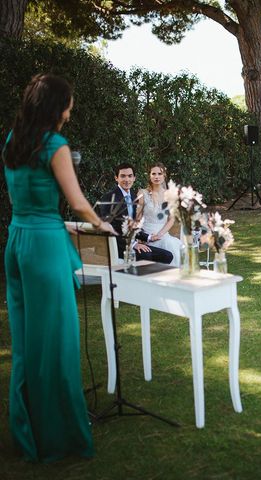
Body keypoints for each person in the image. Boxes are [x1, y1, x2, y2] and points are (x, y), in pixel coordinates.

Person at [3, 73, 117, 462]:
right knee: (58, 343)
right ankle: (60, 437)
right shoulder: (55, 145)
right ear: (57, 106)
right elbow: (79, 202)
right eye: (68, 103)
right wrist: (103, 225)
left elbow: (28, 200)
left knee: (27, 341)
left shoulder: (12, 141)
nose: (71, 110)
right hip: (45, 249)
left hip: (18, 242)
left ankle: (26, 430)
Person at [100, 163, 174, 264]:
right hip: (117, 245)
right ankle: (140, 279)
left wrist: (148, 237)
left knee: (167, 256)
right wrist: (134, 244)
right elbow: (109, 228)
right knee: (146, 256)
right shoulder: (110, 198)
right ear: (116, 178)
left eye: (130, 176)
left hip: (132, 243)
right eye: (123, 176)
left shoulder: (134, 197)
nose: (127, 179)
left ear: (134, 178)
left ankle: (155, 279)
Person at [136, 163, 182, 266]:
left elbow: (171, 219)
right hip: (146, 234)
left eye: (159, 173)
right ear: (149, 175)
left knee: (170, 244)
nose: (156, 177)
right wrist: (140, 238)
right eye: (153, 174)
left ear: (164, 175)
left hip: (162, 234)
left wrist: (160, 234)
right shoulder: (142, 193)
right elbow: (138, 218)